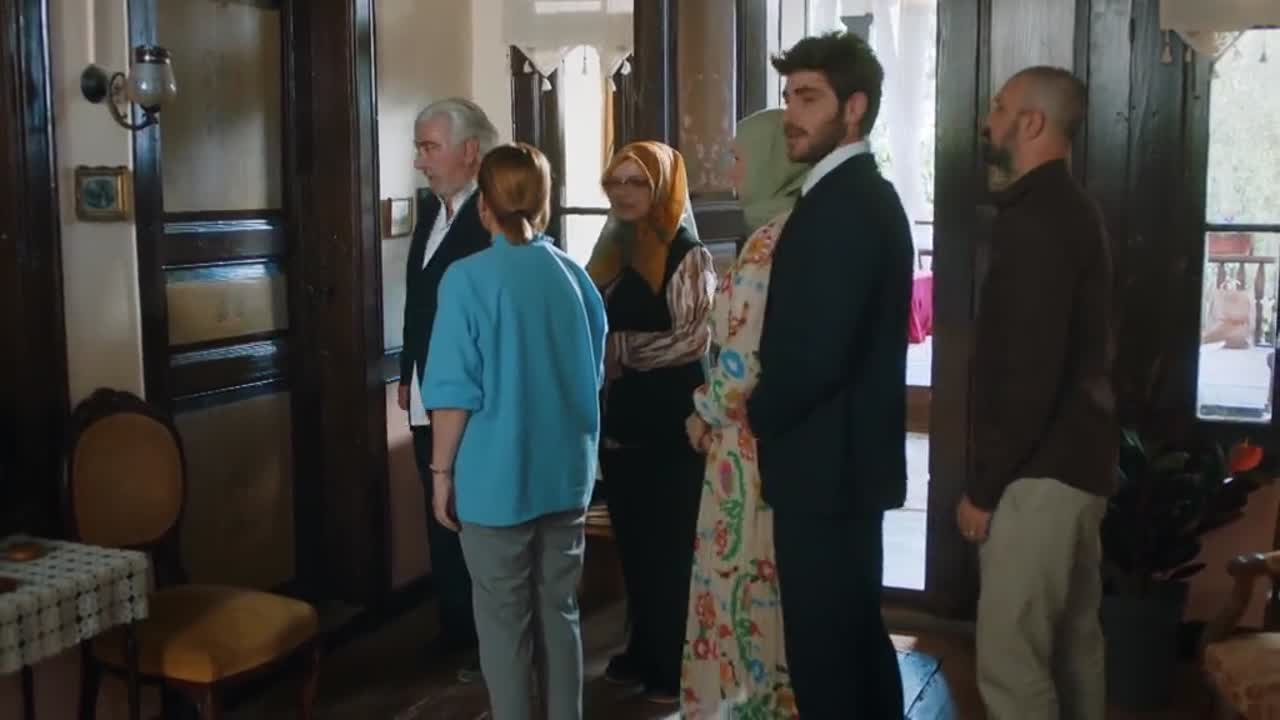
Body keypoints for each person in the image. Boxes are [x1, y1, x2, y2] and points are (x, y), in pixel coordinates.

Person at [744, 32, 912, 717]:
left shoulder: (845, 203)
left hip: (826, 468)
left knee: (828, 660)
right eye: (789, 97)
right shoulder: (849, 196)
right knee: (853, 643)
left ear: (854, 107)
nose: (791, 114)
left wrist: (759, 412)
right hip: (838, 466)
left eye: (809, 98)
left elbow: (817, 352)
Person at [421, 143, 607, 720]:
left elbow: (454, 392)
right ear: (544, 204)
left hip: (494, 479)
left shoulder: (465, 279)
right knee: (561, 614)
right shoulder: (575, 278)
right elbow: (594, 375)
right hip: (567, 476)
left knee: (504, 626)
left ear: (484, 206)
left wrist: (440, 472)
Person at [958, 65, 1116, 720]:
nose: (987, 121)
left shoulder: (1036, 221)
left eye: (999, 108)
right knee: (1074, 652)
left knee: (1012, 664)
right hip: (1080, 468)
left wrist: (984, 487)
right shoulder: (1070, 209)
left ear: (1032, 123)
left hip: (1038, 477)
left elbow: (1027, 372)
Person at [680, 108, 811, 718]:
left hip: (744, 446)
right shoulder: (800, 230)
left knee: (741, 581)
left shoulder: (767, 244)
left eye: (738, 158)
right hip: (777, 440)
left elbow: (743, 357)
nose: (730, 173)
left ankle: (741, 704)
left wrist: (704, 411)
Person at [586, 141, 716, 704]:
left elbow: (694, 338)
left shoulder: (688, 254)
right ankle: (642, 648)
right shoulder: (610, 248)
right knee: (634, 541)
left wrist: (620, 349)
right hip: (622, 416)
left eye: (636, 182)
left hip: (672, 417)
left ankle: (674, 663)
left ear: (662, 186)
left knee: (671, 544)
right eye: (614, 182)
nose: (623, 193)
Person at [398, 97, 496, 681]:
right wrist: (406, 374)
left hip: (471, 396)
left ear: (470, 151)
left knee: (473, 515)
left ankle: (487, 641)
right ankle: (456, 628)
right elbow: (418, 304)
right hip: (425, 390)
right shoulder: (431, 212)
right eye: (419, 148)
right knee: (438, 513)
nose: (419, 161)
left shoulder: (494, 219)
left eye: (429, 147)